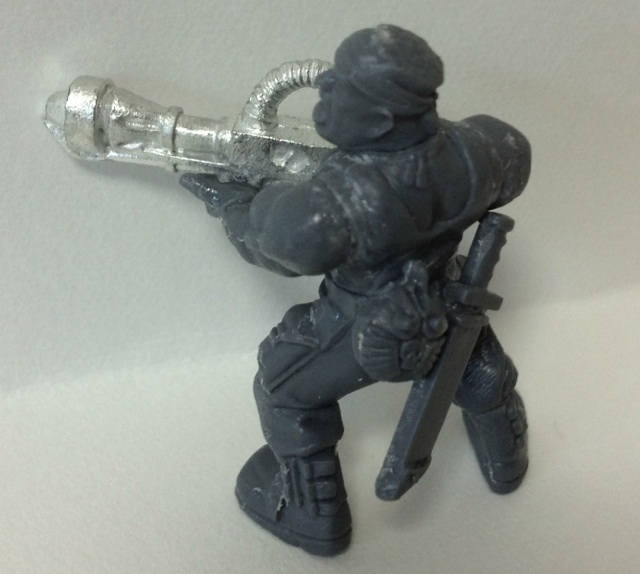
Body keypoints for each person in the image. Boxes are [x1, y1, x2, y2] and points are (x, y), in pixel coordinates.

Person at [180, 24, 531, 556]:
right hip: (449, 300)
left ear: (382, 119)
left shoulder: (333, 207)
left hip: (362, 324)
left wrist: (230, 201)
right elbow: (514, 161)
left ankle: (312, 515)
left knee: (281, 388)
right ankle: (506, 454)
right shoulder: (479, 149)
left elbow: (272, 245)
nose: (327, 89)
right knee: (480, 371)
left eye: (343, 86)